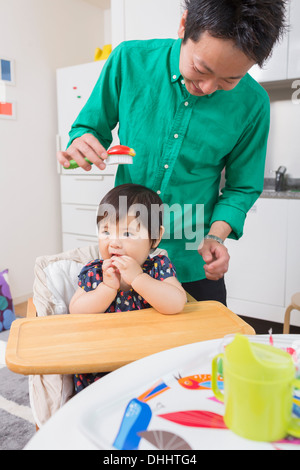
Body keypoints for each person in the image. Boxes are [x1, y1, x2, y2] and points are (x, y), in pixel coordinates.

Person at [57, 0, 287, 306]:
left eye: (228, 80)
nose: (206, 87)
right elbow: (89, 127)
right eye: (201, 69)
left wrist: (216, 237)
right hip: (126, 253)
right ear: (184, 24)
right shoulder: (129, 61)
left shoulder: (253, 103)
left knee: (201, 348)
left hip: (192, 257)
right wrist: (83, 141)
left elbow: (242, 187)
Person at [69, 183, 187, 391]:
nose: (113, 243)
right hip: (104, 364)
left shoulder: (158, 267)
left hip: (151, 359)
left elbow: (177, 303)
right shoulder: (95, 272)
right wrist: (106, 288)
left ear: (155, 237)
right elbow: (76, 309)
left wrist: (139, 279)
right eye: (106, 232)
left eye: (127, 234)